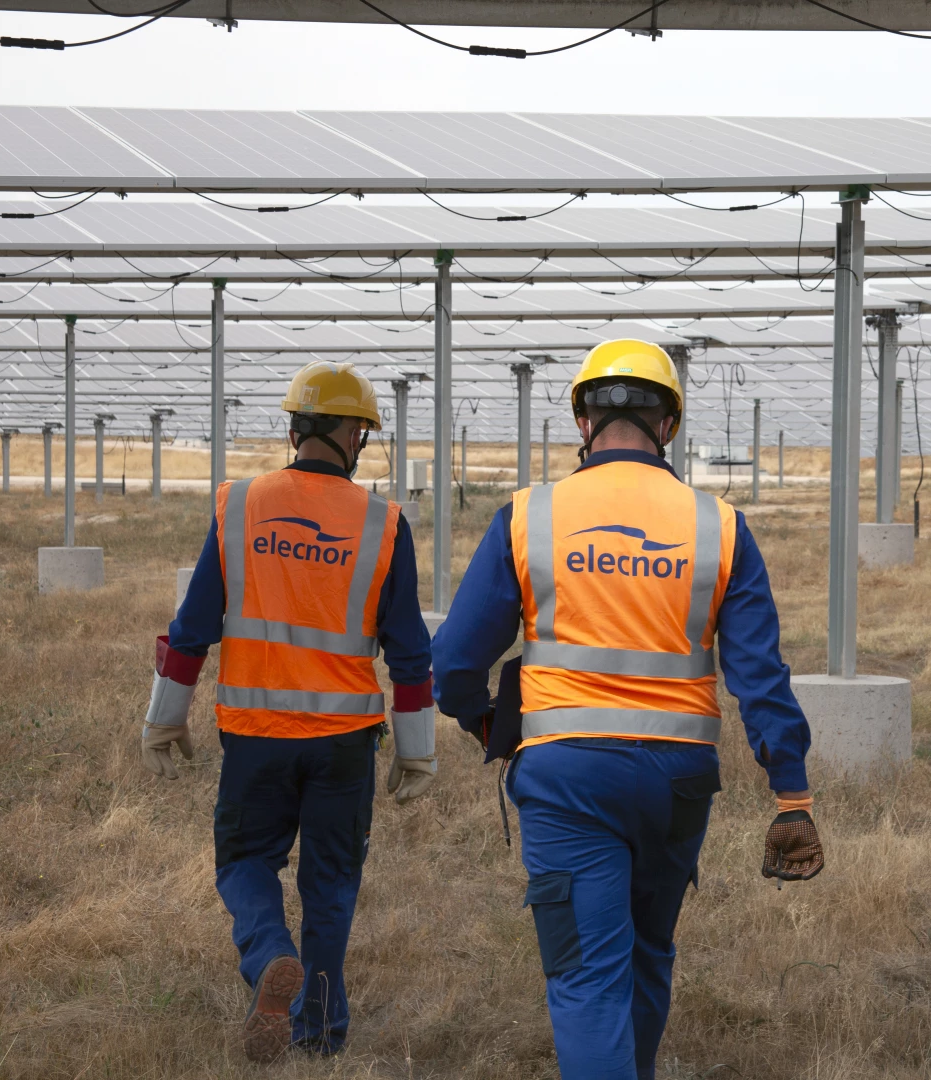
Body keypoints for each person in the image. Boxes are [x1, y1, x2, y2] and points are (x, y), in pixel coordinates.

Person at [432, 339, 822, 1080]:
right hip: (678, 781)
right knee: (646, 953)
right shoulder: (720, 526)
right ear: (667, 425)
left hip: (567, 777)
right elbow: (761, 678)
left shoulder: (529, 516)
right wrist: (791, 792)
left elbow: (453, 661)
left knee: (586, 974)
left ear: (583, 420)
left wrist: (481, 719)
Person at [138, 360, 435, 1063]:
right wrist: (415, 747)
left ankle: (271, 954)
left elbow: (192, 627)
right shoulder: (383, 523)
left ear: (296, 426)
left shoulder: (238, 506)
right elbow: (410, 652)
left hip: (254, 734)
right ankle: (321, 1035)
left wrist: (164, 716)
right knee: (330, 885)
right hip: (344, 742)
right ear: (352, 434)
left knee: (244, 862)